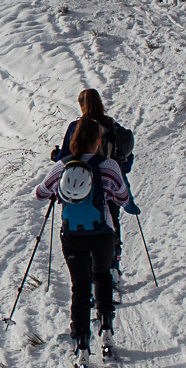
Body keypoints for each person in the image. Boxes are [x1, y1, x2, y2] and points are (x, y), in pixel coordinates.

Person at [35, 117, 131, 362]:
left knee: (79, 285)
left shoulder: (63, 165)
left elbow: (40, 192)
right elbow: (122, 197)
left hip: (72, 234)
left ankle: (81, 344)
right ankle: (106, 328)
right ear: (99, 140)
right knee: (102, 277)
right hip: (103, 232)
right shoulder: (108, 165)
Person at [51, 89, 135, 284]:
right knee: (111, 222)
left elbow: (65, 157)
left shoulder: (75, 127)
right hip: (109, 183)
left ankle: (85, 269)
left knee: (81, 222)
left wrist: (55, 157)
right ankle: (112, 266)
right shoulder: (113, 126)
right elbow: (126, 158)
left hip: (79, 184)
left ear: (81, 105)